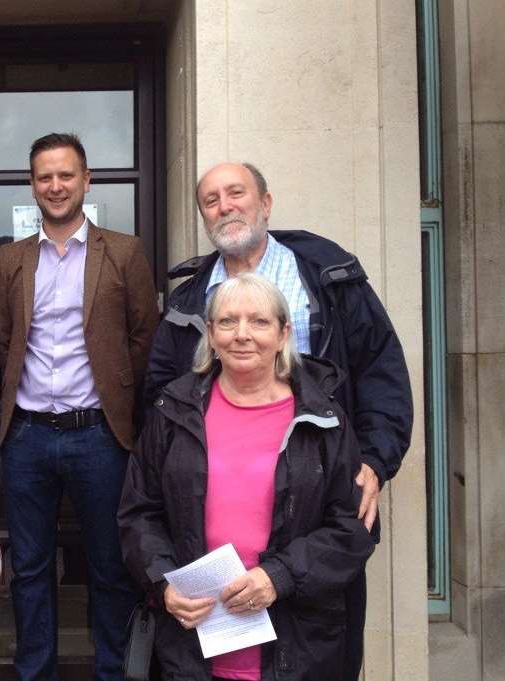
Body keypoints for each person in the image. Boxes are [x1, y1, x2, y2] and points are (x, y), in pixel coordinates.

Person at [144, 162, 413, 679]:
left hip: (313, 493)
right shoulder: (187, 299)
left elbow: (382, 373)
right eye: (211, 200)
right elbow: (159, 401)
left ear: (265, 203)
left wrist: (375, 460)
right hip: (214, 528)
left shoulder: (329, 278)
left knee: (307, 643)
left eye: (236, 193)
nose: (225, 206)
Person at [119, 273, 375, 681]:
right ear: (210, 333)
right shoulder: (172, 412)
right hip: (192, 651)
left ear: (283, 333)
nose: (242, 335)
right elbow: (139, 513)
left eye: (258, 322)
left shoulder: (324, 419)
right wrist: (164, 584)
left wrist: (279, 577)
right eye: (227, 321)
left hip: (297, 648)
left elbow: (352, 529)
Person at [0, 132, 159, 681]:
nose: (55, 186)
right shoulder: (11, 259)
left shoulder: (125, 252)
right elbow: (4, 340)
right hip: (29, 437)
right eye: (44, 177)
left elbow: (143, 338)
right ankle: (36, 673)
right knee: (31, 570)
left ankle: (113, 672)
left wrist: (114, 402)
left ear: (87, 180)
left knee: (110, 567)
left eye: (66, 175)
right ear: (32, 185)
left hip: (99, 436)